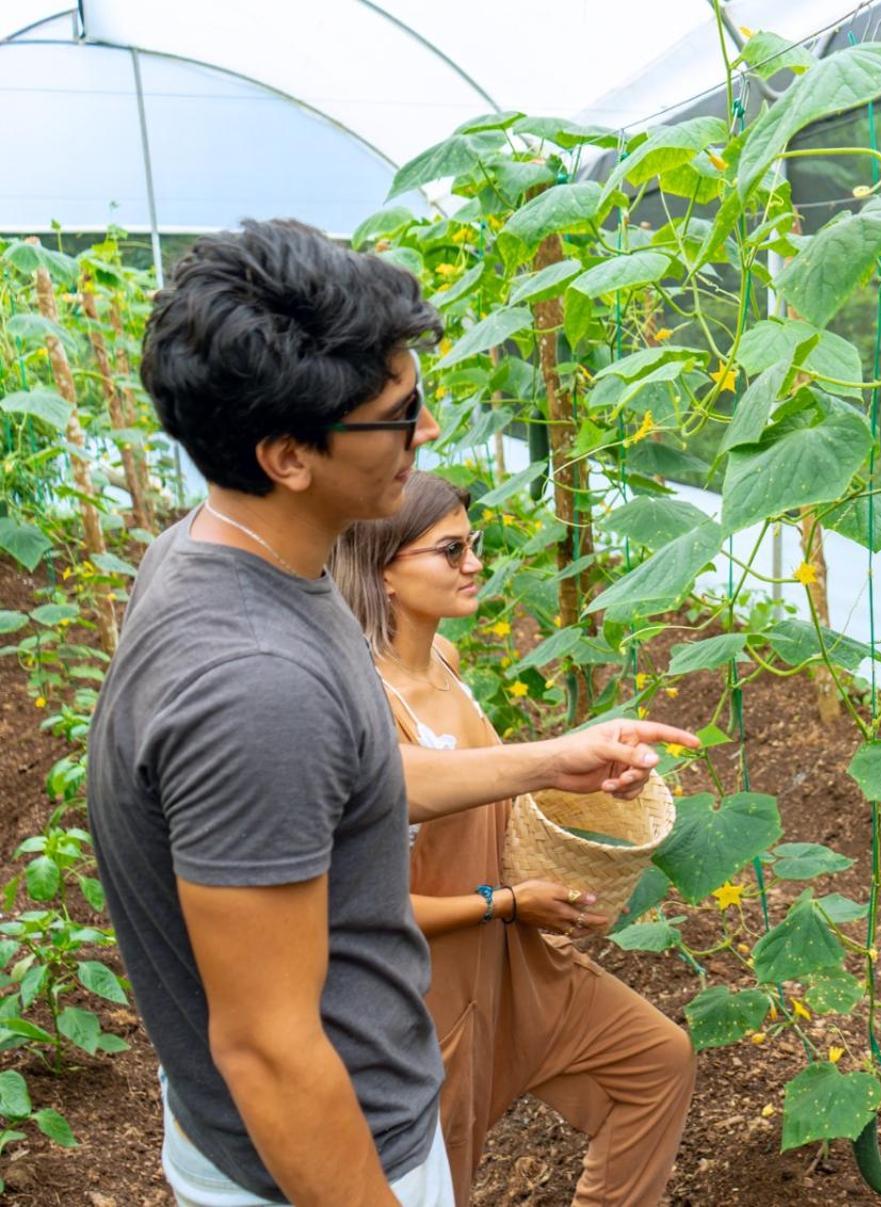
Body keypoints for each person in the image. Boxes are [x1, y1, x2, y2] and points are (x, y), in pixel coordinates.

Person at [86, 219, 698, 1207]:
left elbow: (336, 789)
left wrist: (548, 761)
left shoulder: (219, 553)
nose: (426, 434)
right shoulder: (258, 686)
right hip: (326, 1153)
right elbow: (272, 1049)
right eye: (397, 415)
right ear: (289, 453)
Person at [328, 472, 695, 1205]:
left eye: (476, 544)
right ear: (383, 573)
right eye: (451, 548)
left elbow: (481, 790)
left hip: (517, 961)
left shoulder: (445, 664)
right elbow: (359, 908)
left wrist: (579, 785)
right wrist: (503, 900)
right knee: (441, 1176)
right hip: (431, 989)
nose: (474, 562)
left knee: (656, 1061)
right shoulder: (363, 704)